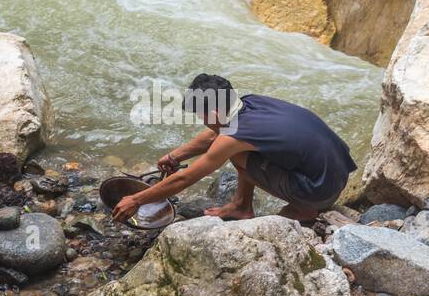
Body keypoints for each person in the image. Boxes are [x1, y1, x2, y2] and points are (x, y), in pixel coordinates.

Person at [113, 73, 356, 224]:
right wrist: (175, 155)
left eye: (201, 115)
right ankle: (242, 205)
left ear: (215, 112)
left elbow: (184, 179)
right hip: (336, 175)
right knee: (235, 147)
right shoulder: (248, 103)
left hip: (320, 191)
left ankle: (297, 209)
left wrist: (136, 200)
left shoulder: (235, 136)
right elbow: (214, 133)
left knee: (237, 154)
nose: (202, 120)